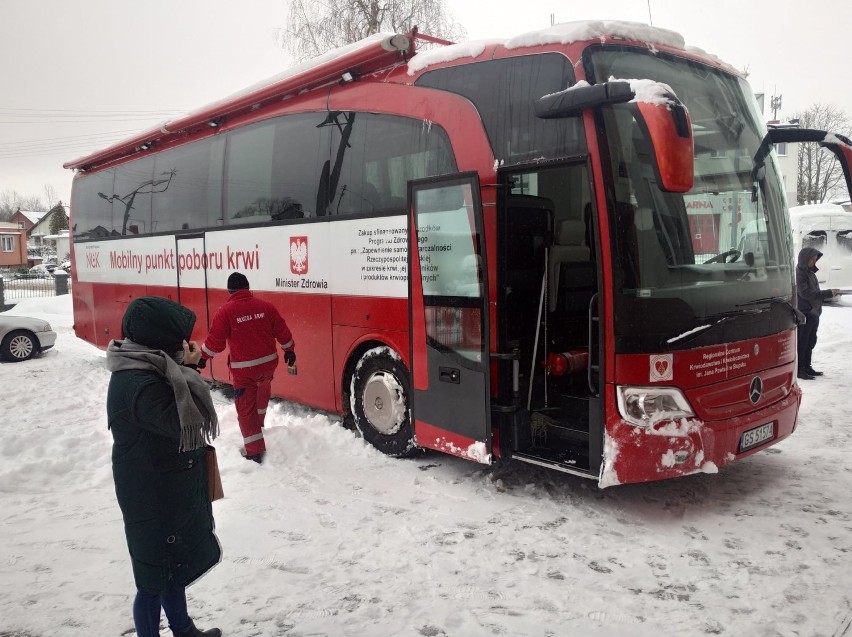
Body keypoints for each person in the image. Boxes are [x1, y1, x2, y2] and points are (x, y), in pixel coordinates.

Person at [105, 296, 222, 637]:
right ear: (160, 341)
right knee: (152, 579)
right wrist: (188, 366)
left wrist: (183, 366)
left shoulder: (148, 367)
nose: (183, 345)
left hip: (164, 487)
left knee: (173, 567)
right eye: (177, 341)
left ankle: (184, 630)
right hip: (150, 497)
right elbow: (185, 420)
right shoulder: (138, 384)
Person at [201, 272, 296, 463]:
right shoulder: (265, 306)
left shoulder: (226, 311)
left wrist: (203, 357)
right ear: (247, 287)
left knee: (245, 409)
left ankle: (254, 450)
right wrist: (289, 350)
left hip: (245, 371)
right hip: (268, 365)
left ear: (230, 291)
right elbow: (282, 330)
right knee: (262, 389)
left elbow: (215, 342)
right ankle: (259, 424)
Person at [796, 247, 839, 380]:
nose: (814, 262)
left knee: (810, 341)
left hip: (813, 313)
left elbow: (814, 292)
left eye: (815, 259)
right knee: (802, 342)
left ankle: (807, 366)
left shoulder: (810, 273)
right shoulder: (800, 273)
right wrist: (827, 293)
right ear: (805, 259)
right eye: (812, 259)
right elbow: (806, 294)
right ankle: (800, 369)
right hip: (805, 313)